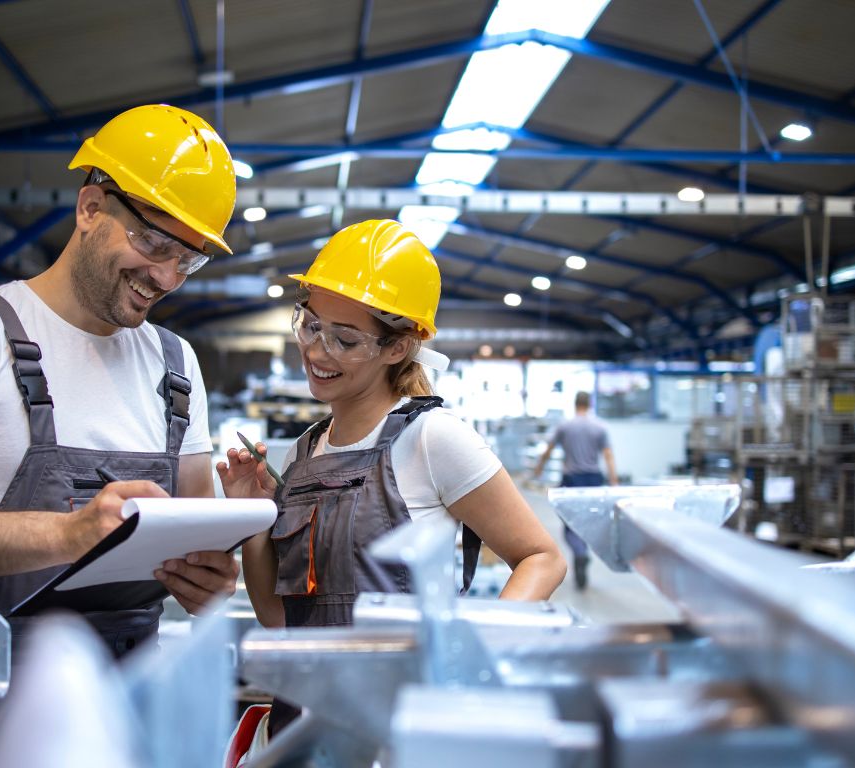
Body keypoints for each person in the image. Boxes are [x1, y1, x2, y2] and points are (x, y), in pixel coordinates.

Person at [0, 105, 241, 750]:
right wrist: (68, 534)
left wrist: (210, 579)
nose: (168, 277)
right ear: (91, 207)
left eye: (190, 259)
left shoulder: (176, 364)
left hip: (128, 721)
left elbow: (197, 529)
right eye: (154, 243)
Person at [218, 219, 567, 738]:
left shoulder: (432, 438)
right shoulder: (301, 455)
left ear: (398, 347)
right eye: (311, 325)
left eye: (345, 339)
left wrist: (467, 654)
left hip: (401, 729)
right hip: (304, 730)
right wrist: (252, 519)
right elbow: (277, 618)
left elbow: (543, 558)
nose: (317, 352)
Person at [532, 391, 618, 590]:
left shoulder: (565, 426)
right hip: (594, 480)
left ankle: (579, 552)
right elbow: (608, 455)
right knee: (589, 521)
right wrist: (614, 481)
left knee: (570, 524)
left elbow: (549, 449)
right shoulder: (599, 427)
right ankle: (583, 552)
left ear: (575, 403)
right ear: (590, 404)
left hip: (571, 479)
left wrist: (539, 468)